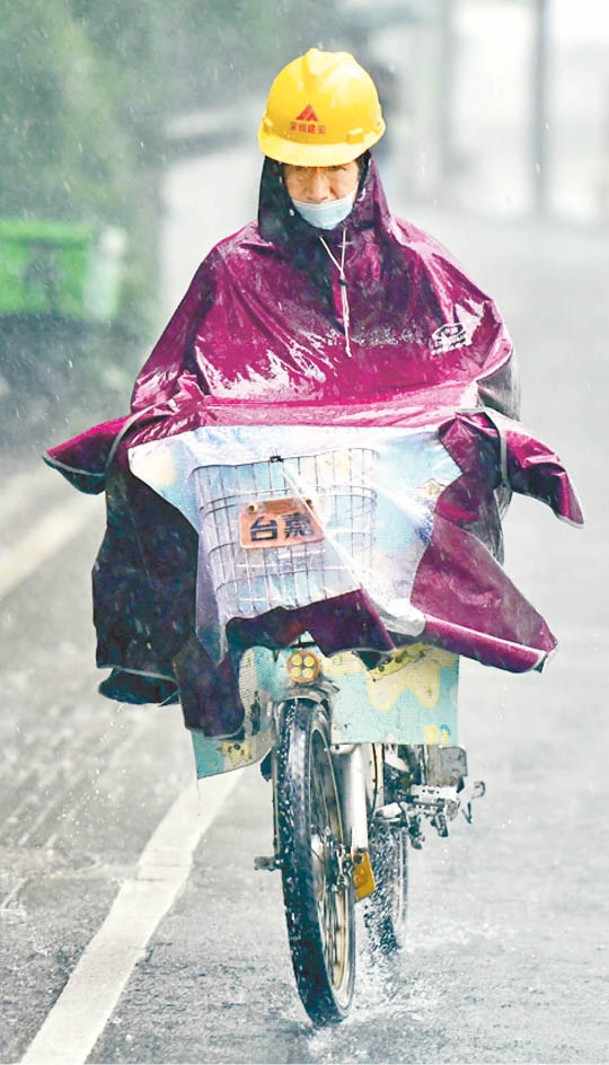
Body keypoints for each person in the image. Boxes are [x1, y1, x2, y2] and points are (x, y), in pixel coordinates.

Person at [44, 48, 582, 728]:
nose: (321, 189)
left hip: (381, 515)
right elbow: (173, 380)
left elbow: (480, 370)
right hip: (268, 517)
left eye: (335, 169)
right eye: (304, 171)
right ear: (278, 169)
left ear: (364, 168)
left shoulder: (416, 268)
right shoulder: (233, 270)